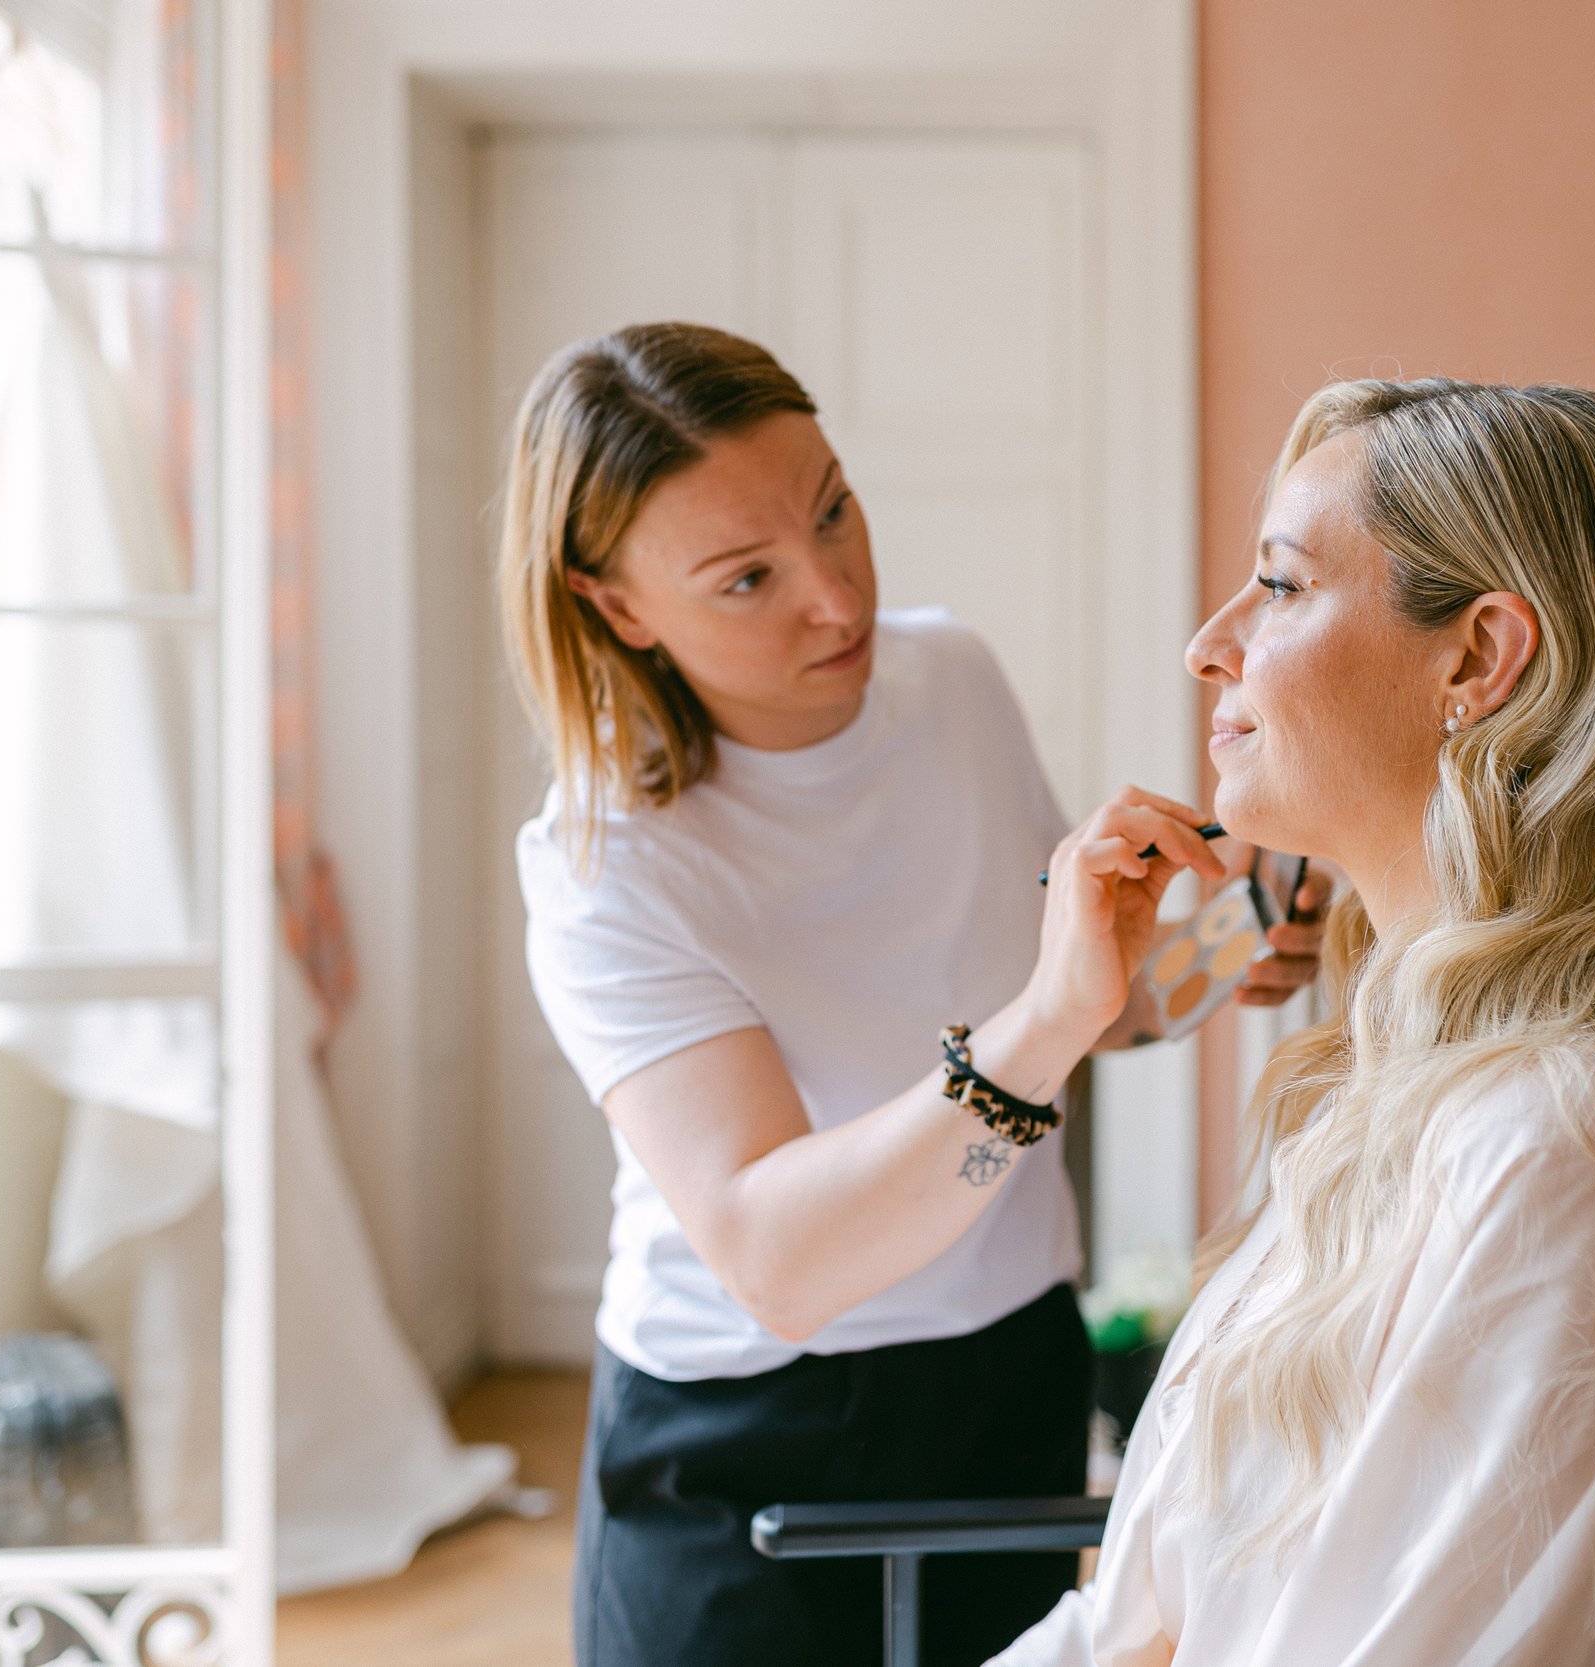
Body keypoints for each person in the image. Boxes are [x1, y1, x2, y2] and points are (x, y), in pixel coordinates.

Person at [498, 322, 1324, 1667]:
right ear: (617, 605)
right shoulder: (609, 861)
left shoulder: (952, 679)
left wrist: (1218, 948)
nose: (836, 595)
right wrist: (1050, 1013)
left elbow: (1078, 1002)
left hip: (1005, 1365)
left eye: (834, 509)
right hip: (738, 1427)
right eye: (748, 576)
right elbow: (781, 1262)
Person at [991, 378, 1595, 1667]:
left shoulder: (1574, 1139)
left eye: (1278, 586)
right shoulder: (1401, 1076)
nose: (1209, 643)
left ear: (1478, 657)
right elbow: (1143, 1621)